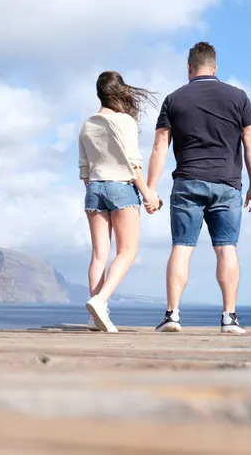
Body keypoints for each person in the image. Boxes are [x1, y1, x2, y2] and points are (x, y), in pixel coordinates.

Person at [145, 42, 251, 334]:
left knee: (181, 248)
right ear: (215, 67)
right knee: (226, 249)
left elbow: (160, 146)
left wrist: (150, 188)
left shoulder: (174, 99)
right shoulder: (239, 97)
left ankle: (172, 316)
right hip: (228, 183)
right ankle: (229, 318)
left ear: (188, 68)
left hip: (188, 181)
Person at [79, 71, 161, 333]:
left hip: (94, 188)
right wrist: (148, 193)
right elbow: (133, 162)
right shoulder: (123, 121)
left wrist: (97, 188)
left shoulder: (86, 125)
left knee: (98, 255)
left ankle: (94, 318)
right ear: (119, 92)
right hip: (121, 188)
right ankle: (100, 302)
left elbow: (84, 170)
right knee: (127, 251)